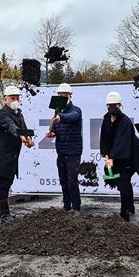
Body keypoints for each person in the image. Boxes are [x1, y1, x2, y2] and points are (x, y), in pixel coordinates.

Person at [100, 92, 139, 221]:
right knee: (124, 182)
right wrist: (106, 153)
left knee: (123, 183)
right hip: (117, 155)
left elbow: (121, 141)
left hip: (131, 154)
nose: (112, 107)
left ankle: (125, 213)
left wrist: (112, 157)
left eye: (115, 105)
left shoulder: (125, 121)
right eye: (110, 105)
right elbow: (105, 138)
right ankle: (130, 207)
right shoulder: (106, 119)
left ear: (120, 105)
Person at [0, 85, 34, 222]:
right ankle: (4, 214)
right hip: (1, 155)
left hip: (12, 155)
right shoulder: (2, 114)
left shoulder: (19, 114)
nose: (15, 100)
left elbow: (24, 129)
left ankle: (0, 210)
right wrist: (20, 136)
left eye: (17, 98)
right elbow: (12, 126)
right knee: (3, 183)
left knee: (8, 182)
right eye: (12, 98)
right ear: (6, 99)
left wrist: (29, 140)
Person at [46, 83, 83, 212]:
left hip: (73, 151)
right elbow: (56, 129)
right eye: (59, 95)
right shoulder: (57, 112)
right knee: (63, 180)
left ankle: (76, 207)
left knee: (72, 181)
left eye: (64, 95)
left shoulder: (76, 110)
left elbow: (73, 118)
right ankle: (67, 206)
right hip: (61, 151)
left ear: (70, 96)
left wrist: (60, 118)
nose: (61, 97)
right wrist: (52, 133)